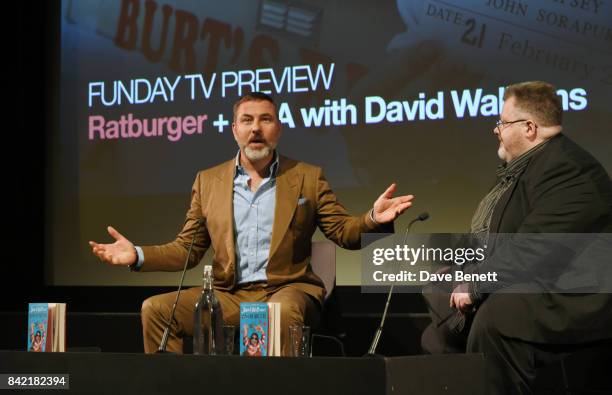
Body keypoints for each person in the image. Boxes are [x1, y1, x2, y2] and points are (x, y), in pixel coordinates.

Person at [90, 92, 414, 355]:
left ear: (278, 128)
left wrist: (372, 218)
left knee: (279, 314)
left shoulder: (307, 177)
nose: (255, 128)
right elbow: (185, 250)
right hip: (229, 296)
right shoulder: (208, 181)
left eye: (265, 119)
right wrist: (137, 254)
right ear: (234, 130)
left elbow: (344, 232)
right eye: (246, 120)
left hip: (287, 290)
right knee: (156, 309)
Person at [421, 81, 612, 393]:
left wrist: (476, 284)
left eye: (501, 122)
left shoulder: (568, 168)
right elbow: (497, 237)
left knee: (497, 319)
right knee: (437, 315)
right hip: (535, 281)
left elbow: (535, 247)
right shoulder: (527, 168)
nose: (495, 129)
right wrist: (460, 266)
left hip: (572, 294)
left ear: (529, 128)